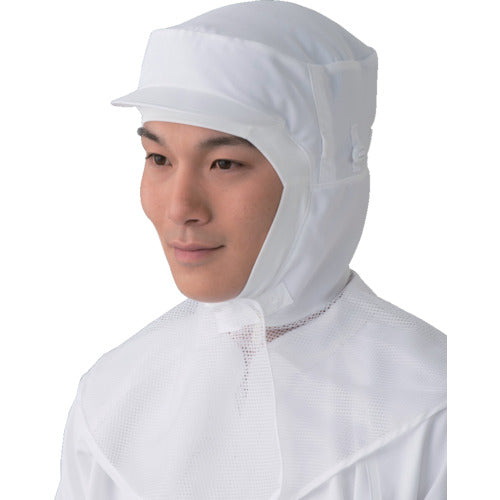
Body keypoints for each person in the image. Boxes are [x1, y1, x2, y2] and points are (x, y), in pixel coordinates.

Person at [55, 1, 447, 499]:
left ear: (325, 177)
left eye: (224, 164)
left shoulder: (436, 409)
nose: (180, 208)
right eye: (159, 158)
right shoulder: (112, 400)